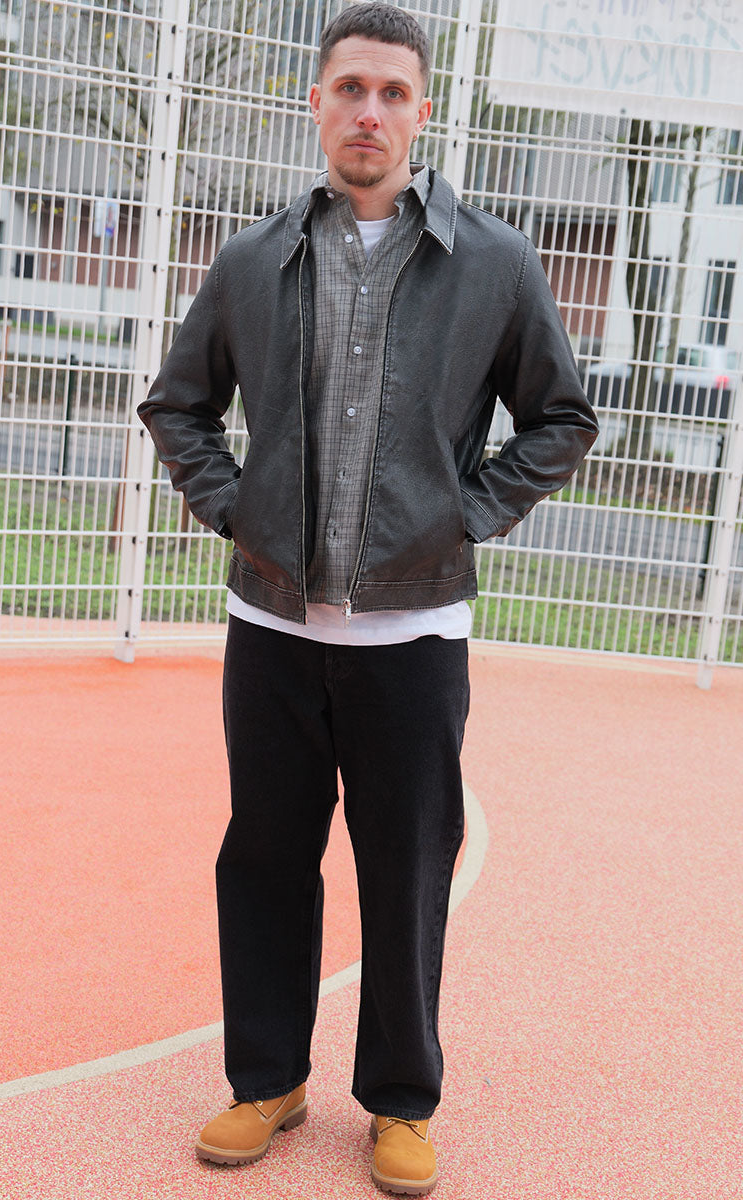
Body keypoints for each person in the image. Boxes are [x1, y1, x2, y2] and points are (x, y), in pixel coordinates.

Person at [138, 3, 598, 1193]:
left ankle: (399, 1100)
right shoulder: (252, 260)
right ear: (315, 103)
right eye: (349, 88)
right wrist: (237, 509)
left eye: (392, 92)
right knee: (265, 856)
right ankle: (264, 1080)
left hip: (413, 632)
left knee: (405, 870)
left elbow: (560, 417)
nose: (369, 111)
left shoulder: (493, 264)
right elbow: (178, 406)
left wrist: (465, 512)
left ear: (421, 111)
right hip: (271, 627)